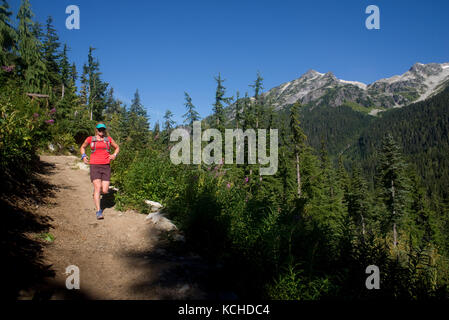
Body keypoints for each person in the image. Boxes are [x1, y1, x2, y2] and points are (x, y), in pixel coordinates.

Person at [80, 122, 120, 220]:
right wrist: (83, 156)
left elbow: (117, 147)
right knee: (98, 187)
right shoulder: (90, 139)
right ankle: (99, 211)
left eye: (103, 129)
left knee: (105, 190)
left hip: (106, 166)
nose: (101, 131)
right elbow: (82, 147)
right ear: (96, 130)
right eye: (99, 129)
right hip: (94, 165)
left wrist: (114, 155)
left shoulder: (108, 139)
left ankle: (96, 193)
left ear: (104, 130)